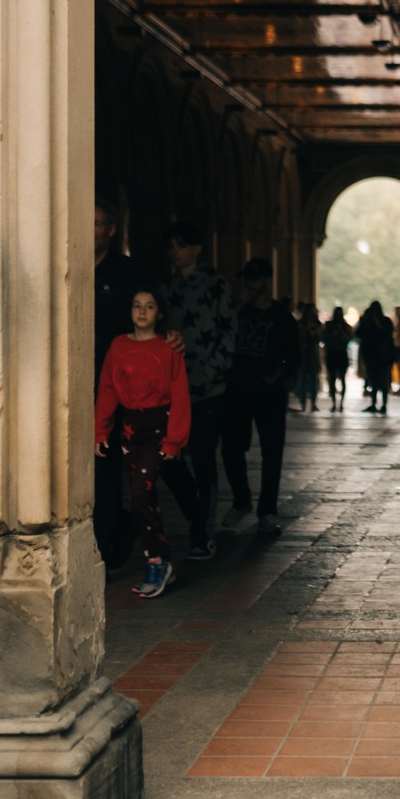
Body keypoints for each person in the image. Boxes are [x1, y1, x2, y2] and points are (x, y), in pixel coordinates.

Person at [95, 288, 191, 600]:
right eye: (136, 305)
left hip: (158, 427)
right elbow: (108, 388)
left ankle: (157, 561)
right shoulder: (118, 346)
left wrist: (175, 440)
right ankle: (162, 562)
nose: (142, 311)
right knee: (141, 495)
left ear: (159, 313)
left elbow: (180, 394)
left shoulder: (169, 348)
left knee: (140, 492)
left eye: (150, 306)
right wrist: (100, 430)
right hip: (129, 429)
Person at [163, 219, 236, 562]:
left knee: (205, 460)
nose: (174, 251)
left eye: (180, 245)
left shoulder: (215, 285)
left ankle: (201, 533)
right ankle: (195, 512)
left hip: (208, 389)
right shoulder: (166, 289)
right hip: (173, 389)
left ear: (196, 249)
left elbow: (227, 333)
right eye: (171, 245)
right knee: (169, 459)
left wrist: (212, 373)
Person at [220, 259, 300, 537]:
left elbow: (294, 354)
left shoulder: (281, 316)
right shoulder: (237, 311)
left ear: (266, 281)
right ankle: (241, 500)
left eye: (253, 280)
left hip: (268, 394)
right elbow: (221, 333)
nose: (248, 285)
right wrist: (238, 306)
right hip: (238, 389)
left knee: (272, 452)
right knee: (231, 448)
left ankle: (266, 511)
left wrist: (278, 373)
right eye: (245, 280)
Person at [93, 197, 150, 568]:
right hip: (69, 384)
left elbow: (148, 324)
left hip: (114, 389)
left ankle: (102, 550)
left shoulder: (128, 274)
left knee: (106, 469)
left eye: (97, 223)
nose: (89, 230)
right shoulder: (65, 264)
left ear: (112, 230)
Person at [357, 300, 397, 414]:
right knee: (374, 381)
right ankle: (375, 404)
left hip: (382, 356)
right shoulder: (369, 321)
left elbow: (388, 333)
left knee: (382, 381)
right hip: (373, 355)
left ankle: (383, 404)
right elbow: (359, 333)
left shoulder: (384, 321)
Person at [322, 306, 352, 408]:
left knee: (342, 379)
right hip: (332, 353)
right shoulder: (329, 326)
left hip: (341, 353)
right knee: (332, 379)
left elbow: (349, 339)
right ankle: (334, 402)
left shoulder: (345, 327)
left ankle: (341, 403)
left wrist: (341, 333)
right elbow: (324, 338)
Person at [294, 303, 322, 412]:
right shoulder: (300, 324)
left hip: (313, 355)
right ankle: (303, 403)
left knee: (313, 381)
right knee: (302, 380)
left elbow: (319, 338)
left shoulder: (317, 324)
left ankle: (313, 403)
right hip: (303, 355)